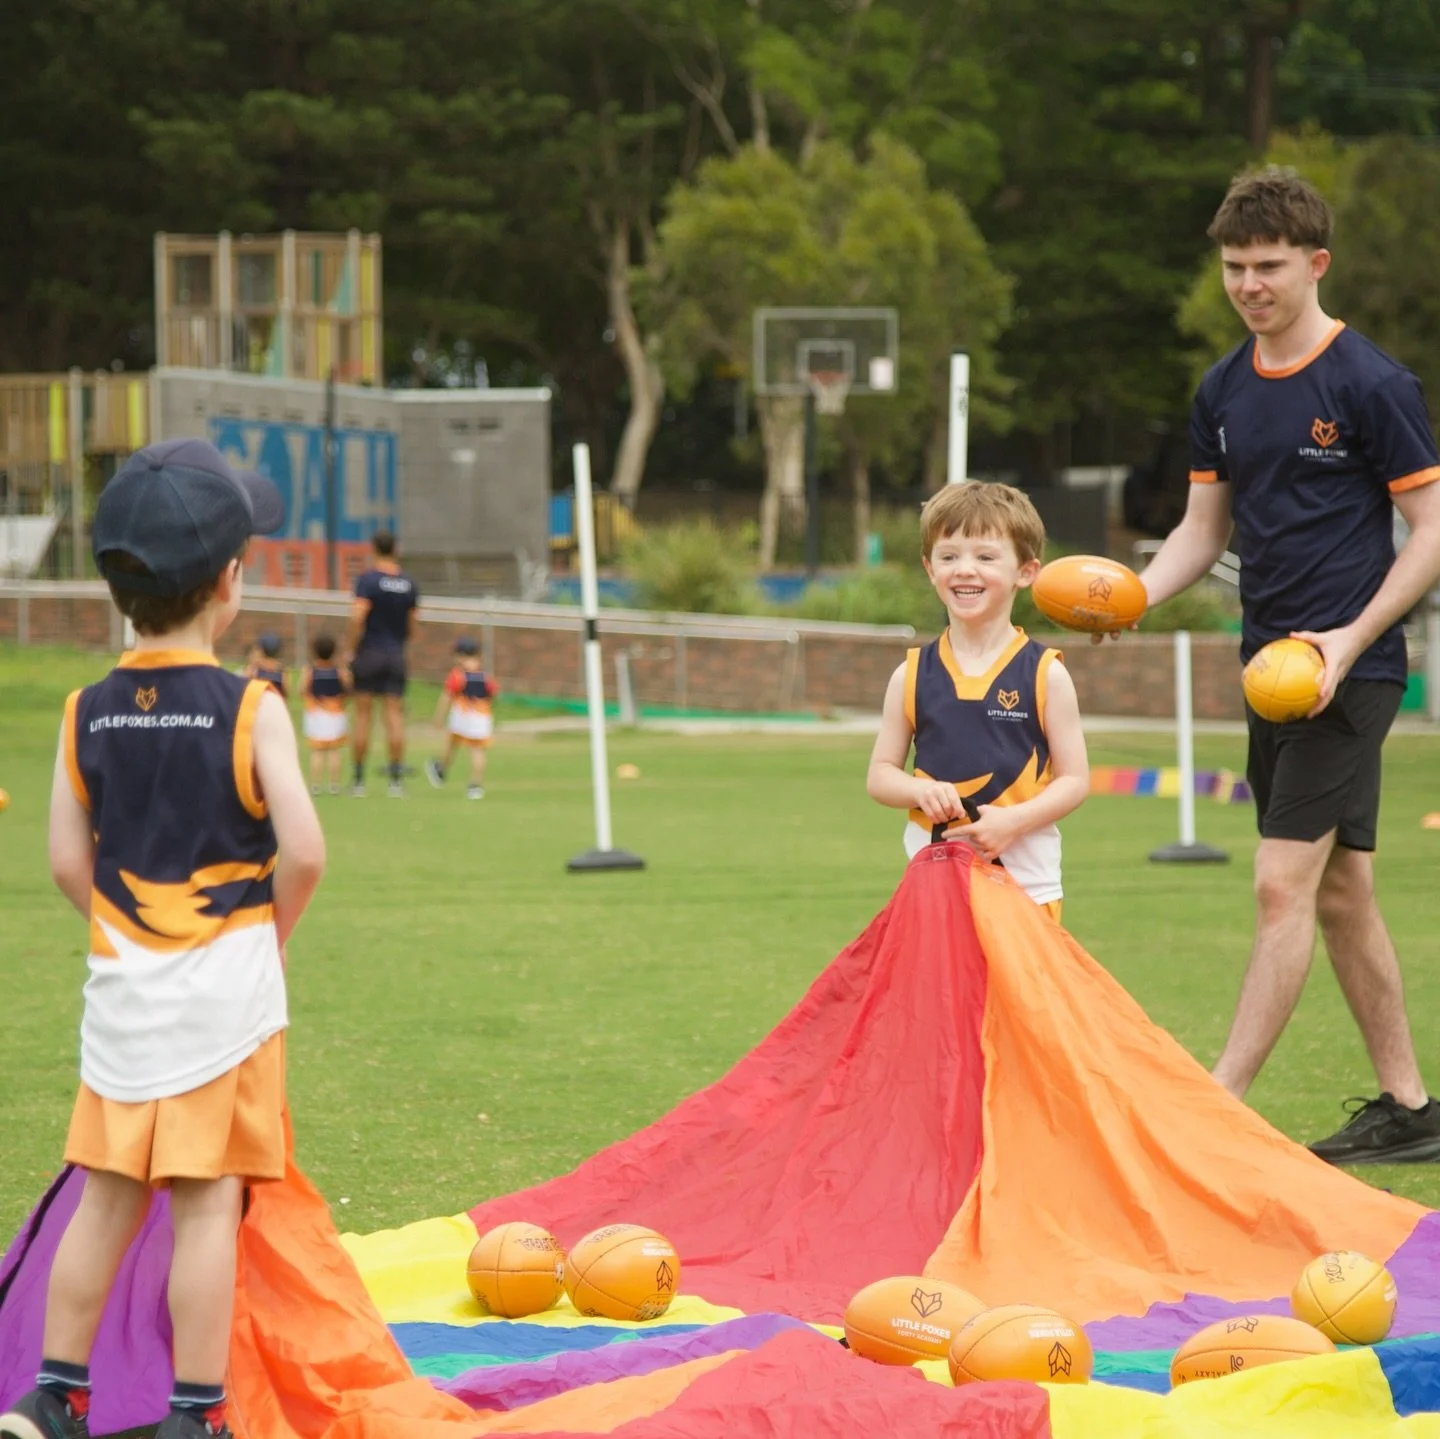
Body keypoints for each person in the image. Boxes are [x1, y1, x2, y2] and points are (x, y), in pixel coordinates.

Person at [0, 438, 325, 1439]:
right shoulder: (252, 707)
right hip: (224, 1003)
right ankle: (196, 1411)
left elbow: (68, 860)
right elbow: (305, 850)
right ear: (230, 582)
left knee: (104, 1198)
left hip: (122, 999)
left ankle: (55, 1395)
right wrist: (266, 936)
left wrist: (123, 931)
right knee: (205, 1201)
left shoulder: (84, 711)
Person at [1136, 165, 1440, 1163]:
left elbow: (1432, 527)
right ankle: (1411, 1109)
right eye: (1234, 267)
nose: (1249, 285)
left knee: (1280, 885)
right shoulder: (1222, 389)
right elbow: (1201, 529)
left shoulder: (1372, 383)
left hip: (1349, 673)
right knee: (1342, 891)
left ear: (1317, 263)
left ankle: (1215, 1108)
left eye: (1268, 266)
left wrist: (1348, 639)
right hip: (1268, 672)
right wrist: (1132, 596)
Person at [866, 482, 1089, 918]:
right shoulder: (911, 674)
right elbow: (880, 775)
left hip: (1026, 889)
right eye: (949, 557)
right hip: (934, 891)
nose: (965, 570)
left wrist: (1015, 822)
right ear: (930, 568)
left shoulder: (1047, 674)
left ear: (1026, 571)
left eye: (986, 557)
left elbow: (1075, 781)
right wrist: (920, 790)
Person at [344, 531, 419, 798]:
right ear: (395, 549)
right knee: (394, 716)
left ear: (374, 548)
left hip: (370, 652)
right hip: (395, 654)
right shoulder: (408, 583)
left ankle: (358, 781)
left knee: (363, 716)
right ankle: (395, 781)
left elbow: (358, 616)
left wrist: (351, 648)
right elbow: (413, 625)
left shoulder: (368, 580)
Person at [425, 636, 498, 800]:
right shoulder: (485, 676)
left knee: (452, 744)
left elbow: (447, 696)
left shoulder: (458, 675)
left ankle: (441, 769)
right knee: (477, 751)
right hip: (482, 716)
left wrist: (438, 717)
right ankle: (475, 785)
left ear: (460, 655)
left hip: (462, 716)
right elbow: (493, 693)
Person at [300, 633, 351, 796]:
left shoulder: (310, 671)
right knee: (334, 751)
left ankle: (315, 785)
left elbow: (303, 690)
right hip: (336, 713)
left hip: (316, 714)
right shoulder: (339, 672)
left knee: (317, 752)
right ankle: (334, 785)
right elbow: (348, 689)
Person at [242, 631, 287, 697]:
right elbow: (285, 693)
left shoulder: (256, 667)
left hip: (258, 700)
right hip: (275, 700)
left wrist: (252, 664)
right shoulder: (280, 670)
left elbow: (242, 682)